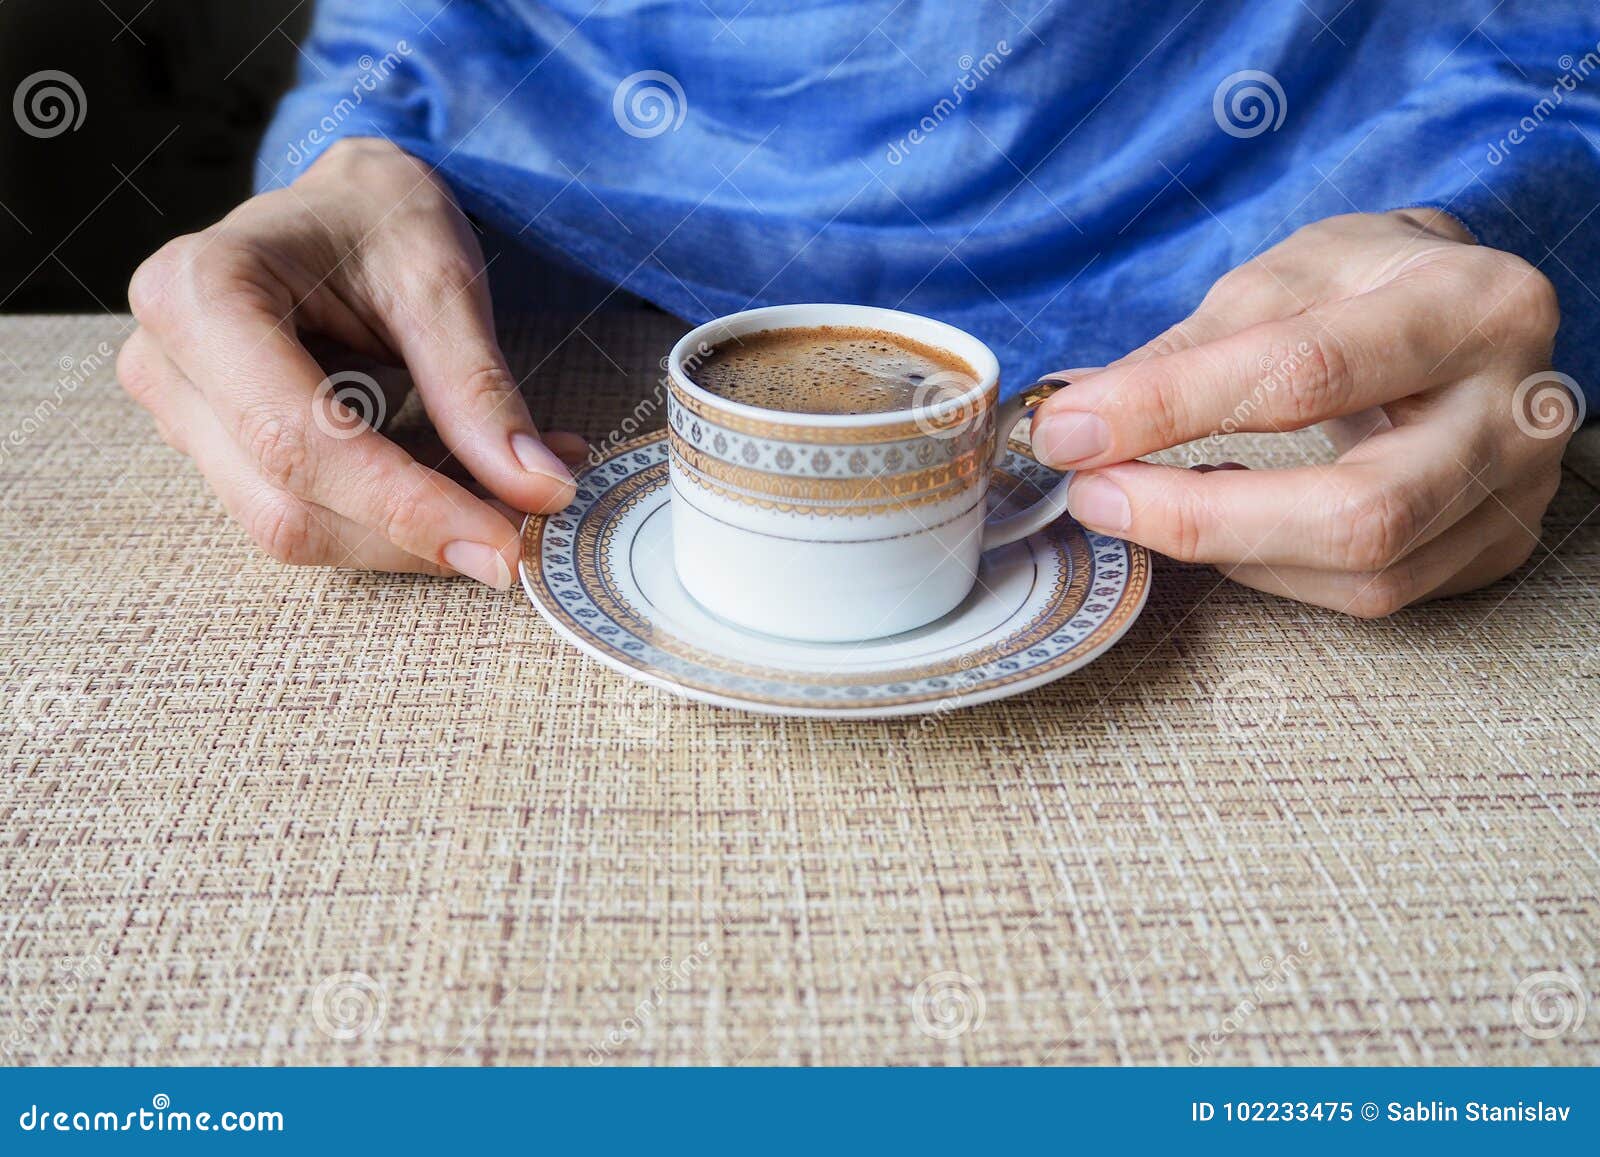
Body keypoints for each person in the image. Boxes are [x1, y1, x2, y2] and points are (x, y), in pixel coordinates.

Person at [116, 1, 1597, 616]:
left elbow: (1560, 62)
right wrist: (342, 176)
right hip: (556, 319)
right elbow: (397, 48)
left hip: (1275, 353)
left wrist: (1505, 240)